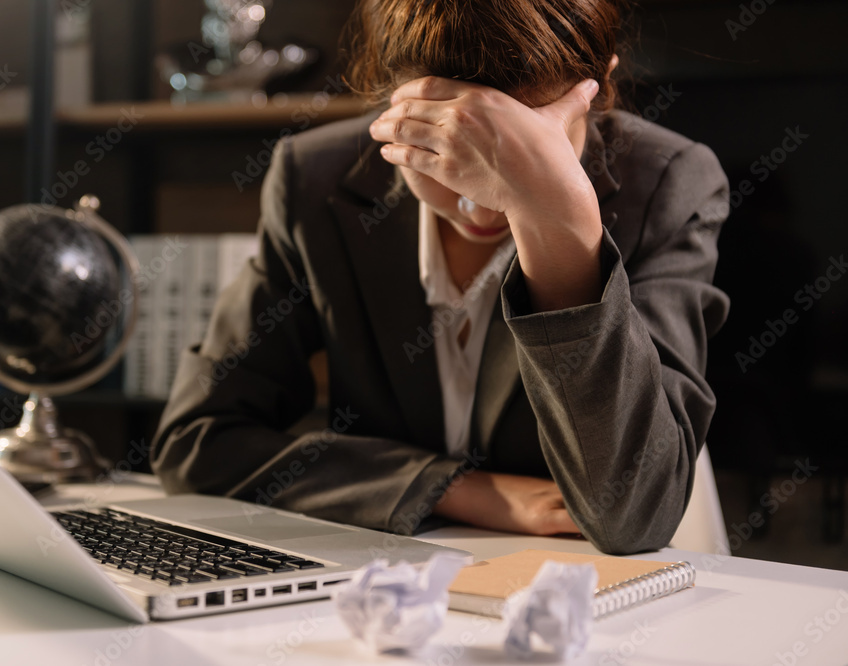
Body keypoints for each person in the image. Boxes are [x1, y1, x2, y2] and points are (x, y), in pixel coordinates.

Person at [151, 0, 730, 555]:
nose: (480, 207)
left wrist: (560, 226)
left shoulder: (667, 186)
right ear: (388, 95)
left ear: (598, 89)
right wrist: (457, 490)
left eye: (528, 150)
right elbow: (197, 440)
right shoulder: (316, 179)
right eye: (442, 150)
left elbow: (630, 515)